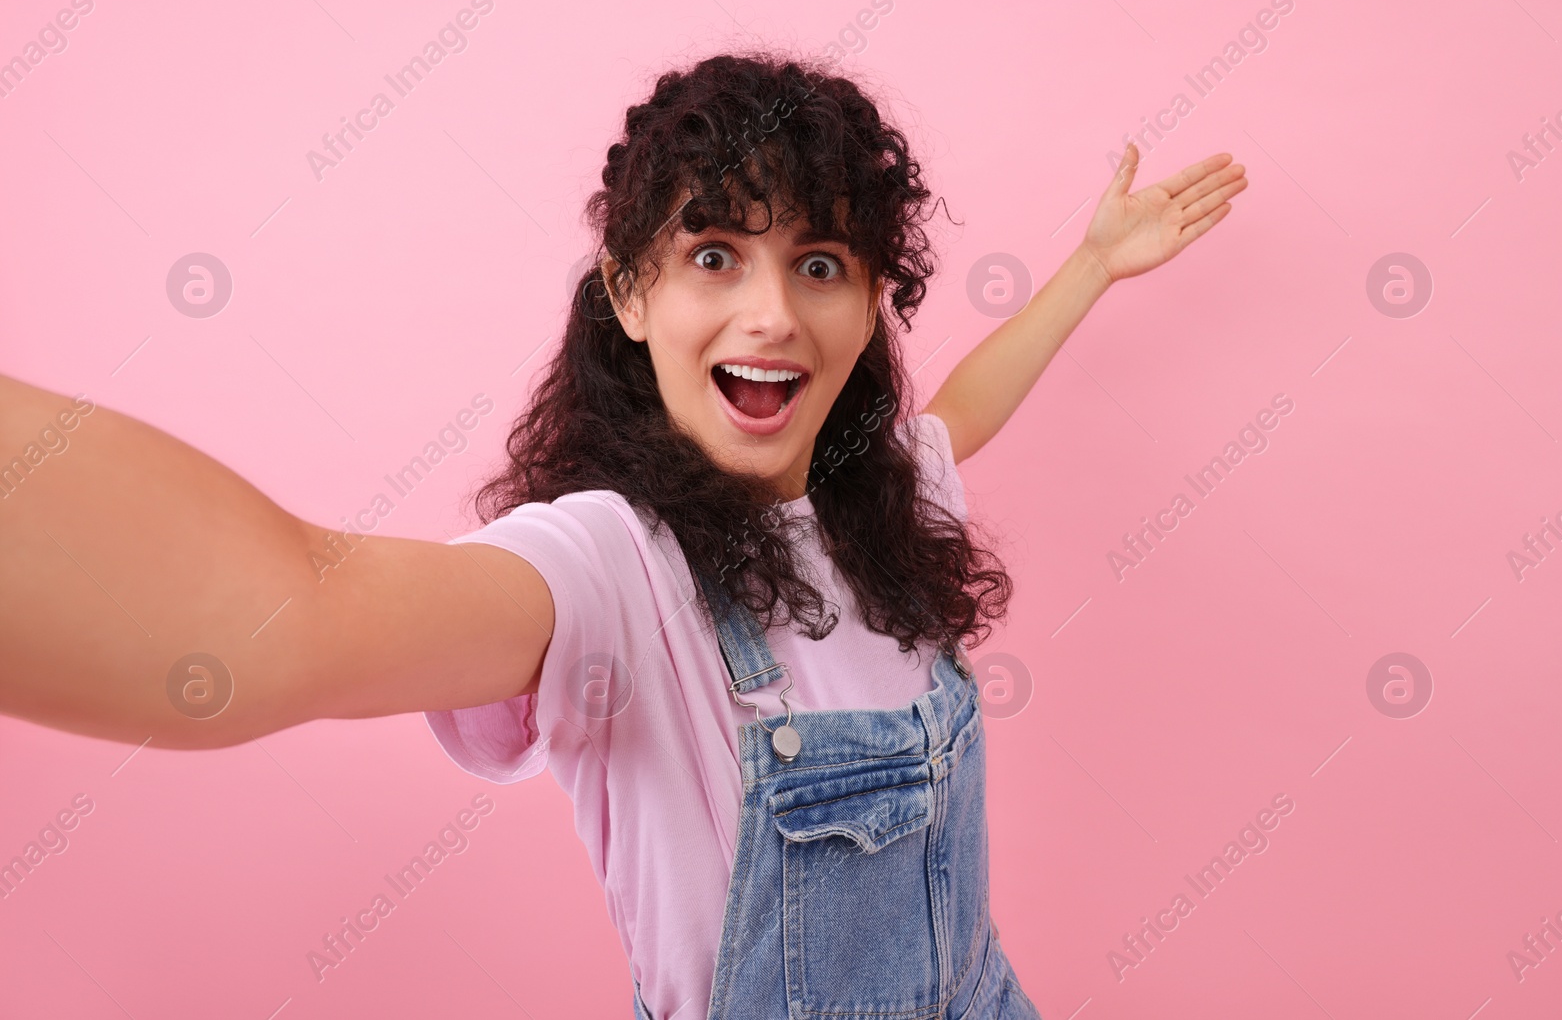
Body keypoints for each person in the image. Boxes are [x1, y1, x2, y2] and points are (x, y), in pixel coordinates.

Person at [0, 51, 1244, 1018]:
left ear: (873, 299)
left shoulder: (877, 493)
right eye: (714, 254)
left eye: (819, 263)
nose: (772, 313)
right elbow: (298, 611)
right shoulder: (609, 567)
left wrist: (1090, 266)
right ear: (632, 291)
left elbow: (960, 411)